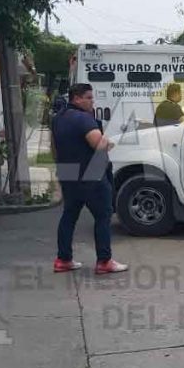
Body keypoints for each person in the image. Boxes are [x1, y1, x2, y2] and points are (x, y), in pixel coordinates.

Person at [52, 83, 128, 275]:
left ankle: (63, 259)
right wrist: (109, 142)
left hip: (68, 172)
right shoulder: (83, 119)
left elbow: (54, 147)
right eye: (89, 98)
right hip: (90, 174)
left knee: (69, 216)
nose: (92, 102)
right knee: (103, 216)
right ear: (76, 98)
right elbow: (98, 144)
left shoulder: (58, 119)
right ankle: (104, 261)